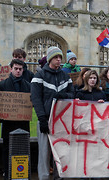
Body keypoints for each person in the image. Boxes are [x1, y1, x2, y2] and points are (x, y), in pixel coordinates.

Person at [31, 46, 74, 180]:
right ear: (50, 59)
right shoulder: (39, 76)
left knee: (60, 152)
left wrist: (63, 94)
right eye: (56, 57)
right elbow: (36, 99)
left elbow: (72, 94)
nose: (59, 60)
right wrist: (42, 118)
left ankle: (60, 176)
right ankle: (43, 177)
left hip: (61, 120)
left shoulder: (65, 77)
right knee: (44, 153)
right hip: (46, 120)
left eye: (60, 57)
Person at [0, 59, 31, 180]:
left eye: (20, 69)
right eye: (15, 68)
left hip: (23, 123)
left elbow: (30, 104)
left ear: (23, 70)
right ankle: (7, 173)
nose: (18, 71)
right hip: (8, 123)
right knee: (7, 149)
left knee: (23, 148)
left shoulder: (28, 86)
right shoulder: (1, 85)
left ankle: (22, 173)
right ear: (11, 69)